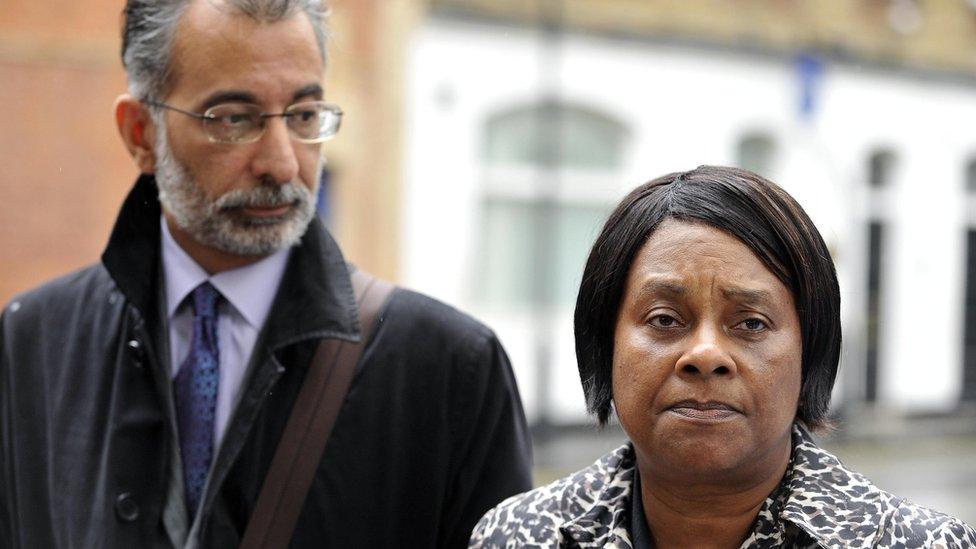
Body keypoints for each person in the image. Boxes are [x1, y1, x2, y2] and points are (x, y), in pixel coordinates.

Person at [0, 1, 532, 547]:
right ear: (140, 133)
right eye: (233, 118)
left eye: (303, 116)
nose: (281, 163)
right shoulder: (34, 339)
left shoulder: (450, 367)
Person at [470, 166, 976, 548]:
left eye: (751, 323)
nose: (706, 355)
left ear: (811, 350)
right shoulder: (515, 536)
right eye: (665, 319)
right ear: (605, 342)